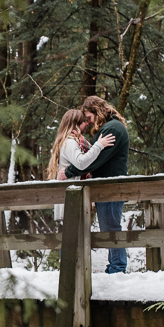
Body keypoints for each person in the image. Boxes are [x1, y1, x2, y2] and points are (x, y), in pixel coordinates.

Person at [63, 96, 130, 273]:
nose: (88, 122)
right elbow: (94, 152)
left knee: (111, 227)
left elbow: (94, 161)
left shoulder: (112, 129)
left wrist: (69, 172)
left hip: (111, 186)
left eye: (89, 117)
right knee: (109, 226)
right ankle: (115, 266)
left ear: (96, 111)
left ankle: (117, 268)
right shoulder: (110, 127)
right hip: (107, 185)